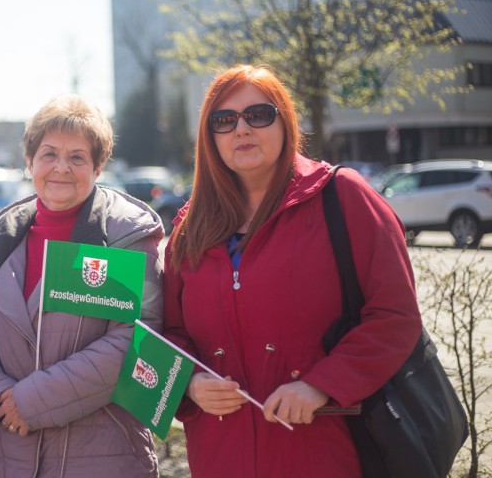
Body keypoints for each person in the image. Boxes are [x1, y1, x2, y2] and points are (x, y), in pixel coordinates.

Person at [163, 65, 422, 477]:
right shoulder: (188, 226)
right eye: (224, 120)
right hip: (218, 455)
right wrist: (190, 383)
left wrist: (322, 385)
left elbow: (395, 316)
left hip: (323, 450)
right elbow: (170, 332)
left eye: (258, 115)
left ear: (285, 120)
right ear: (210, 138)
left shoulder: (345, 197)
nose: (241, 129)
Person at [0, 95, 163, 477]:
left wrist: (31, 403)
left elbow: (135, 339)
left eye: (77, 157)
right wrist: (0, 399)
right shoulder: (1, 235)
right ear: (30, 161)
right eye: (49, 154)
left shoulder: (123, 233)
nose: (61, 168)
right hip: (8, 456)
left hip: (103, 456)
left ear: (98, 167)